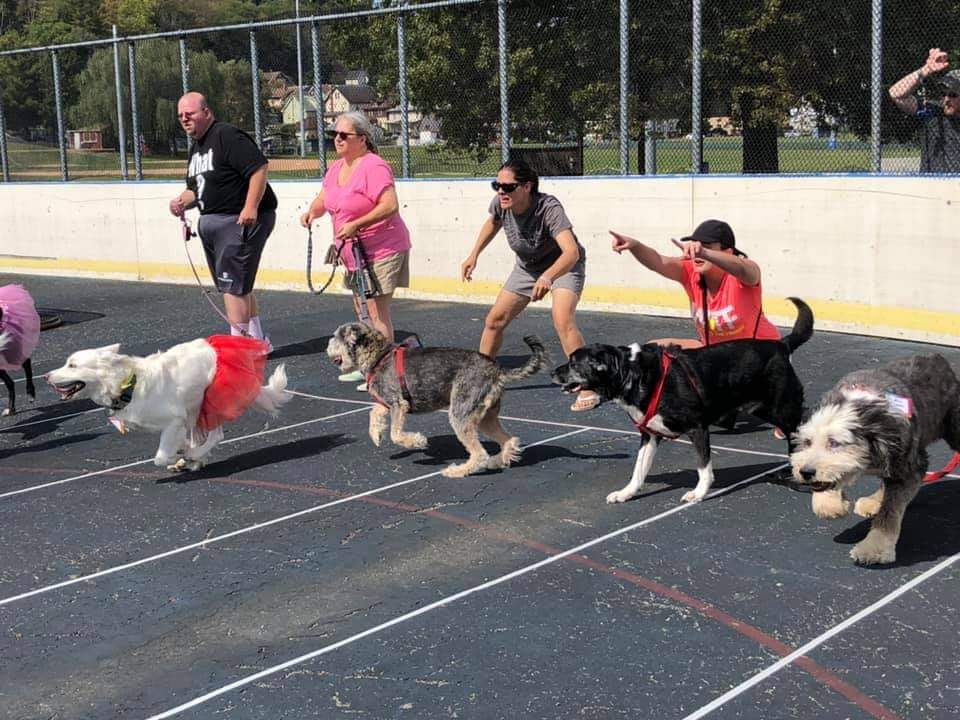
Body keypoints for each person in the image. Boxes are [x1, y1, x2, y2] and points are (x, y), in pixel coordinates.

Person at [461, 159, 599, 412]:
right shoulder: (501, 203)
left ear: (527, 186)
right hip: (527, 268)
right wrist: (474, 255)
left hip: (562, 265)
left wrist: (548, 277)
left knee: (562, 319)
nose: (501, 191)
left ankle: (588, 384)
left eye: (508, 186)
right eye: (496, 185)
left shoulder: (549, 208)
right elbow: (492, 222)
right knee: (494, 321)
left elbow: (571, 253)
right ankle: (481, 379)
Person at [300, 111, 411, 391]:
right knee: (362, 308)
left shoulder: (374, 166)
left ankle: (384, 373)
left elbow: (389, 205)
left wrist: (356, 224)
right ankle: (369, 365)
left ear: (362, 139)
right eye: (334, 134)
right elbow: (325, 198)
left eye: (343, 135)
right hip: (352, 251)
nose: (337, 139)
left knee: (376, 311)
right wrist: (312, 212)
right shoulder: (337, 168)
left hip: (381, 248)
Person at [168, 91, 277, 346]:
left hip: (238, 221)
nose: (185, 119)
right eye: (180, 116)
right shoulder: (196, 148)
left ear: (206, 112)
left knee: (232, 286)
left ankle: (239, 348)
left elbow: (258, 168)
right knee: (239, 284)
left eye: (190, 113)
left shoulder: (226, 136)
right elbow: (196, 188)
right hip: (213, 222)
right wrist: (181, 202)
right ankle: (257, 341)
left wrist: (250, 207)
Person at [610, 219, 779, 348]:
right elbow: (658, 261)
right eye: (695, 246)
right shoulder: (690, 272)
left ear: (728, 252)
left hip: (762, 354)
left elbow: (744, 269)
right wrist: (635, 246)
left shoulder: (743, 274)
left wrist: (704, 253)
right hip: (716, 354)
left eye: (706, 246)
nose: (697, 251)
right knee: (653, 348)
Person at [889, 48, 960, 173]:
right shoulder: (933, 111)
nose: (946, 99)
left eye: (953, 95)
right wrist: (926, 70)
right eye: (944, 94)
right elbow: (895, 93)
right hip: (929, 185)